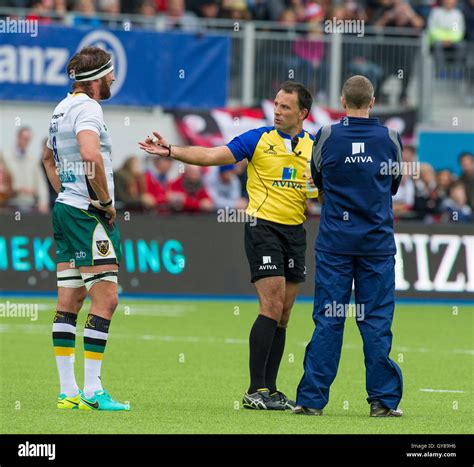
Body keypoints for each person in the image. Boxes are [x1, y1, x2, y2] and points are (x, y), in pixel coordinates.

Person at [139, 81, 316, 410]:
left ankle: (271, 389)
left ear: (303, 113)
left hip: (296, 231)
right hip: (263, 227)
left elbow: (325, 185)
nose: (277, 110)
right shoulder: (258, 139)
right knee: (271, 305)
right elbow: (210, 155)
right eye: (276, 104)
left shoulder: (314, 146)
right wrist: (171, 151)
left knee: (285, 314)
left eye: (285, 106)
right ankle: (254, 390)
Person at [295, 75, 404, 417]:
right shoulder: (390, 137)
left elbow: (318, 179)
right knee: (376, 321)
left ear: (342, 101)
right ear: (372, 102)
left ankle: (311, 402)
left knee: (328, 318)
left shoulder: (326, 135)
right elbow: (394, 185)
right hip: (376, 243)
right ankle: (382, 403)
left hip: (334, 244)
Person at [42, 46, 129, 411]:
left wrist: (65, 190)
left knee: (71, 300)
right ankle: (93, 391)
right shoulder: (88, 108)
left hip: (65, 209)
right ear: (97, 78)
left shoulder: (61, 107)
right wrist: (105, 203)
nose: (112, 80)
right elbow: (91, 155)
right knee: (107, 298)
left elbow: (47, 157)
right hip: (86, 213)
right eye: (110, 74)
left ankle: (69, 392)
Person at [3, 126, 50, 213]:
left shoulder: (32, 159)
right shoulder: (5, 157)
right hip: (10, 204)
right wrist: (17, 189)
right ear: (18, 137)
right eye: (24, 138)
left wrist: (43, 202)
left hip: (29, 204)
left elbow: (40, 183)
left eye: (28, 139)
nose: (25, 142)